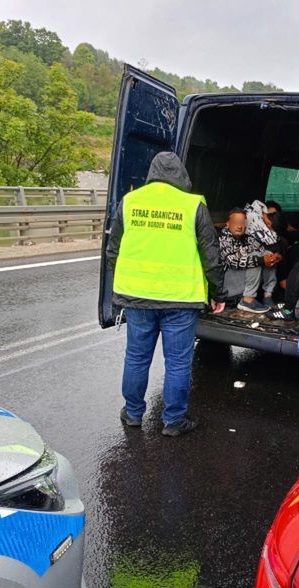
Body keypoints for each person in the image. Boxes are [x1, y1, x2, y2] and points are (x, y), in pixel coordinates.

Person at [106, 151, 226, 437]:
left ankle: (133, 413)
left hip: (137, 296)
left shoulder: (130, 202)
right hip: (181, 299)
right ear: (181, 175)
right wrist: (218, 292)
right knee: (177, 362)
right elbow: (211, 253)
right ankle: (173, 421)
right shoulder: (193, 205)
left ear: (152, 173)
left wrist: (123, 281)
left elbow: (113, 250)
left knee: (136, 358)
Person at [218, 208, 279, 313]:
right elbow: (232, 262)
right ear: (228, 224)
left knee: (267, 255)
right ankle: (247, 300)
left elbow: (263, 252)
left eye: (242, 222)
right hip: (227, 285)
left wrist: (273, 257)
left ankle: (267, 295)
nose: (240, 226)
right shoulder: (222, 239)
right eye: (236, 222)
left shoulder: (248, 238)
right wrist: (260, 260)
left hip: (242, 282)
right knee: (257, 257)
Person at [244, 199, 283, 307]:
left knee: (269, 256)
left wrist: (276, 257)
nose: (267, 220)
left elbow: (277, 253)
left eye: (271, 216)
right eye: (266, 215)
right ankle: (248, 298)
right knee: (257, 257)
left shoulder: (274, 237)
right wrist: (262, 259)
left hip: (265, 276)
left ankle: (267, 295)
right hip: (247, 269)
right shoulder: (250, 228)